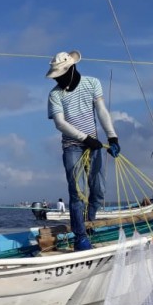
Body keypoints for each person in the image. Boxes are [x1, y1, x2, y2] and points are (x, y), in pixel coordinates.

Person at [46, 50, 120, 251]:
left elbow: (102, 111)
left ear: (71, 69)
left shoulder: (92, 83)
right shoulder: (55, 95)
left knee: (98, 191)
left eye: (61, 74)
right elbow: (60, 124)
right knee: (77, 193)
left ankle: (89, 224)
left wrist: (112, 136)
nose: (58, 79)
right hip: (72, 147)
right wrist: (85, 138)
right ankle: (80, 237)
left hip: (94, 145)